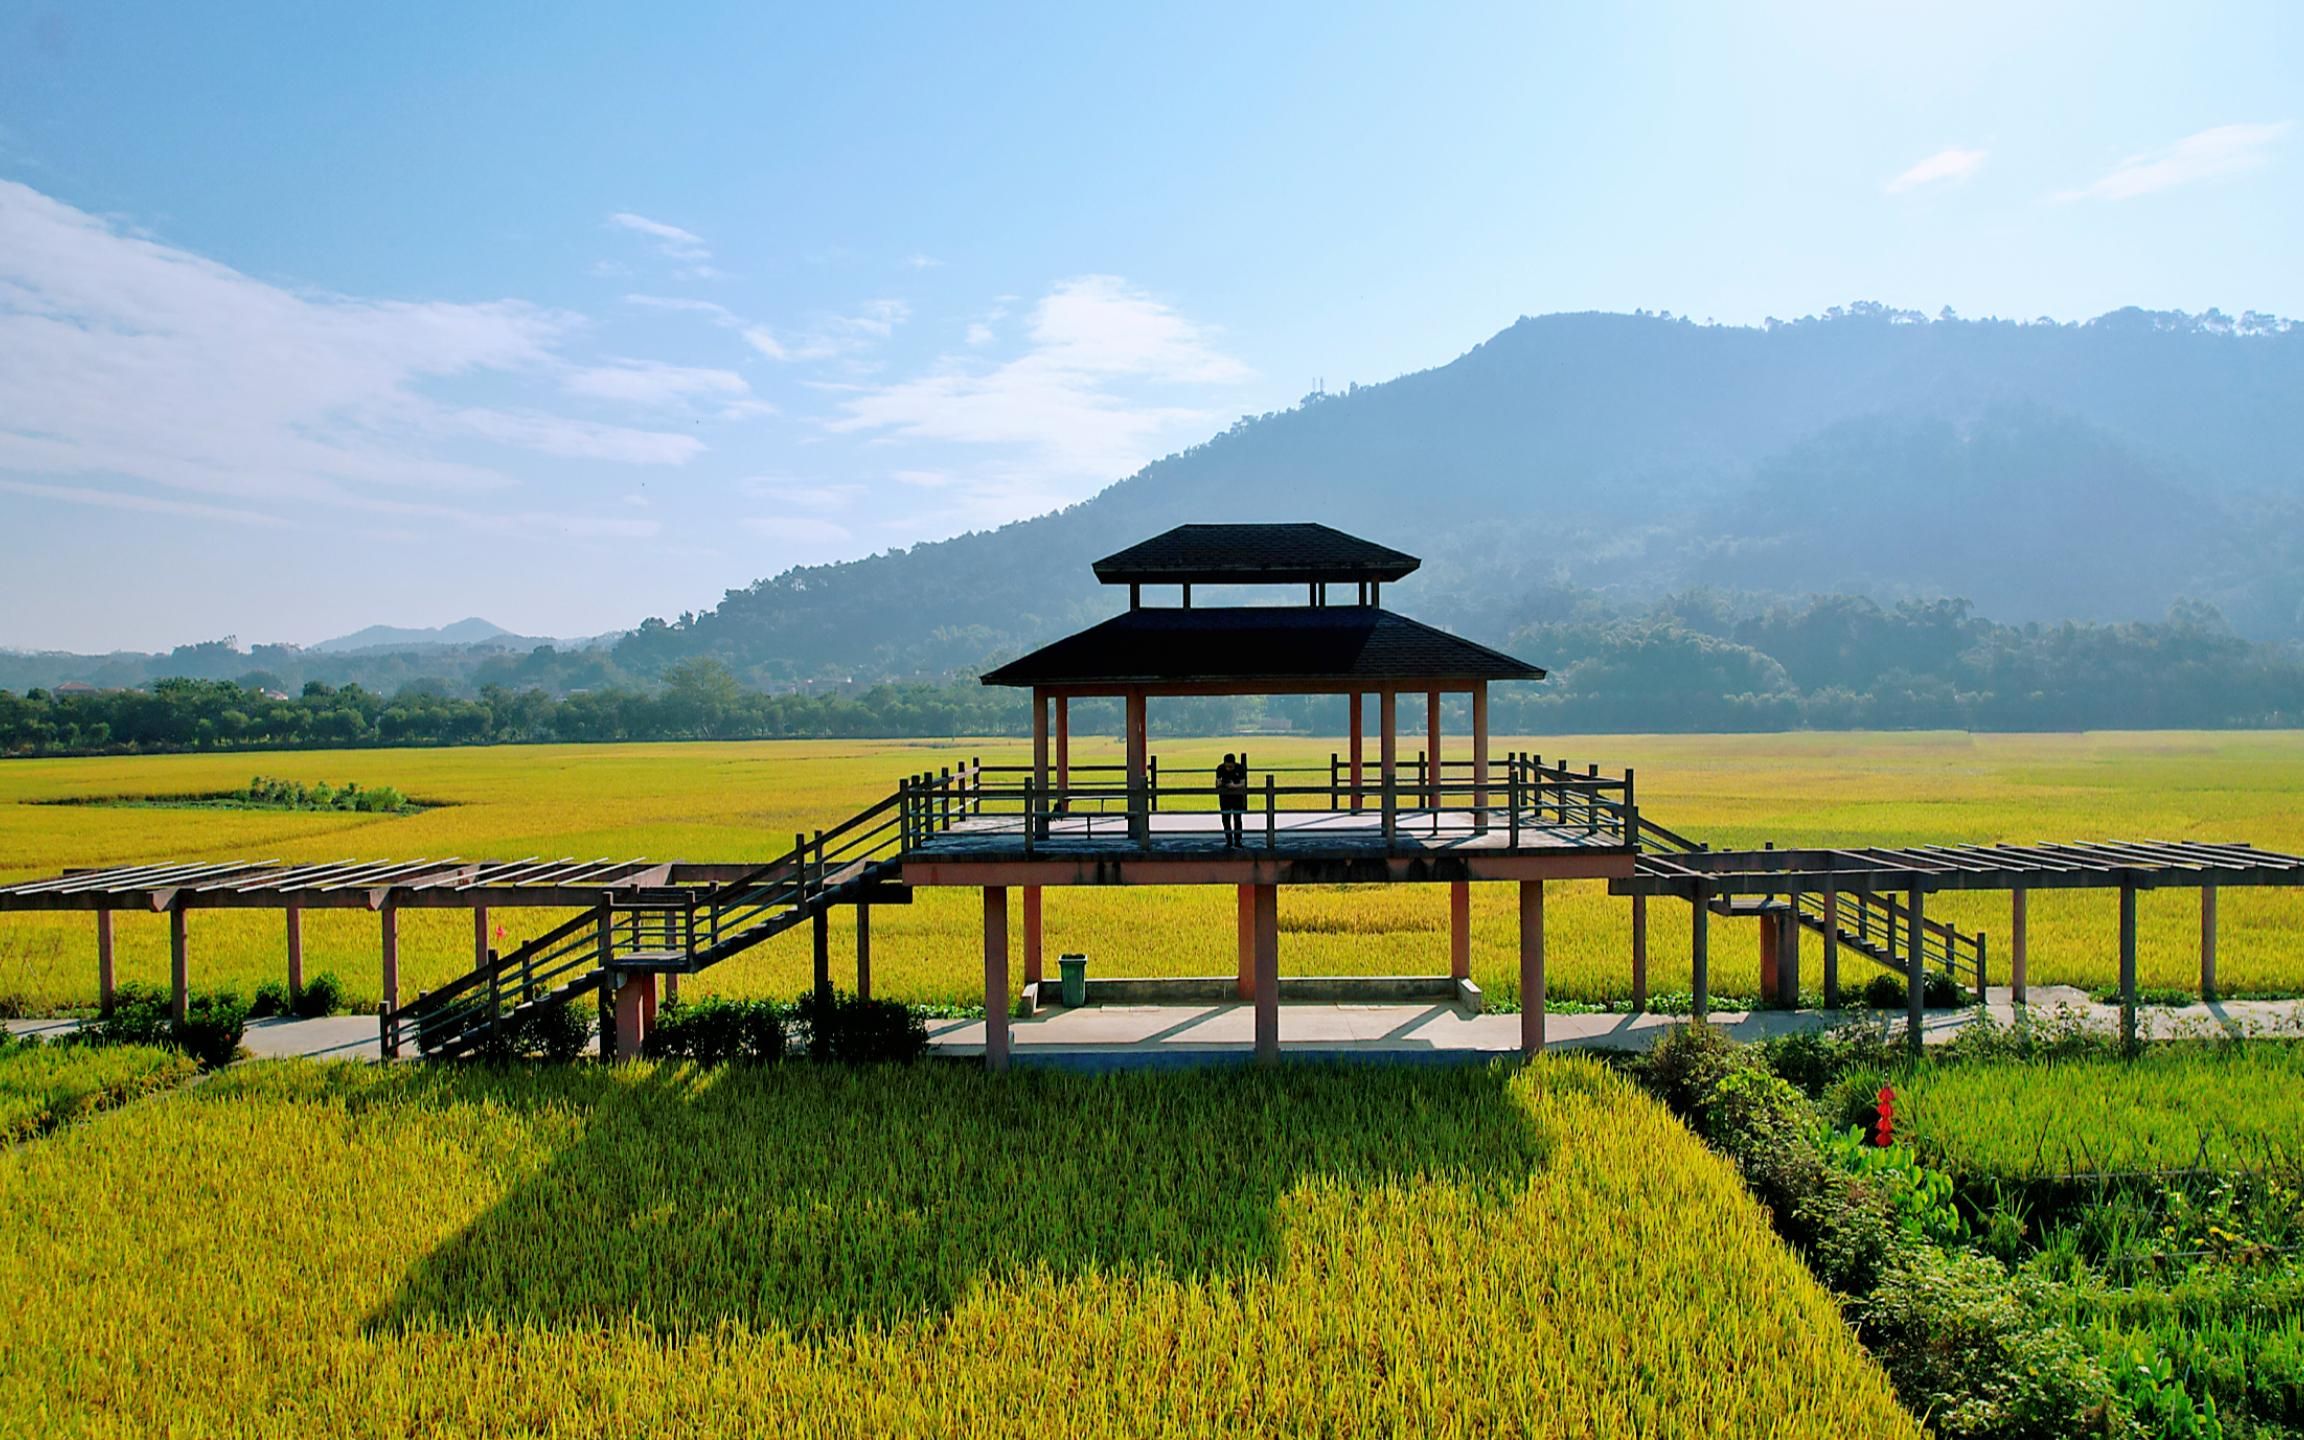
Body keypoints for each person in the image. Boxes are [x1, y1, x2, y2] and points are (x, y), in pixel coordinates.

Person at [1215, 752, 1248, 846]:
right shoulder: (1220, 768)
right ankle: (1228, 839)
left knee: (1237, 818)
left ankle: (1238, 839)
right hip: (1224, 797)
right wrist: (1223, 784)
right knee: (1225, 818)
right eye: (1227, 766)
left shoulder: (1240, 768)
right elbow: (1217, 782)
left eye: (1230, 767)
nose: (1228, 768)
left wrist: (1233, 786)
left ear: (1234, 764)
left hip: (1237, 796)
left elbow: (1243, 783)